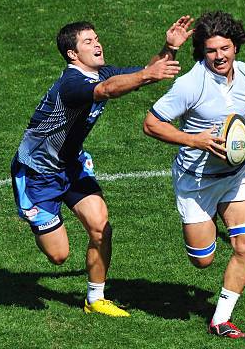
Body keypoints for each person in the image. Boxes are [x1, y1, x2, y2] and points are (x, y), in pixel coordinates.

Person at [10, 16, 194, 317]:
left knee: (100, 227)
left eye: (97, 39)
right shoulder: (71, 83)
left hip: (71, 164)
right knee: (59, 256)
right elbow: (108, 90)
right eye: (88, 41)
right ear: (73, 54)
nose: (98, 44)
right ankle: (38, 213)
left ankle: (95, 299)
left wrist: (169, 48)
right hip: (37, 174)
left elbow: (140, 74)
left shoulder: (101, 73)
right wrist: (148, 74)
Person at [143, 11, 245, 338]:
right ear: (202, 52)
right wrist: (195, 140)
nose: (219, 56)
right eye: (211, 51)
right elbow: (151, 123)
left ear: (236, 47)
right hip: (196, 180)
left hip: (237, 174)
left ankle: (221, 320)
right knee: (202, 260)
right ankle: (204, 221)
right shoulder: (191, 84)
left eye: (225, 49)